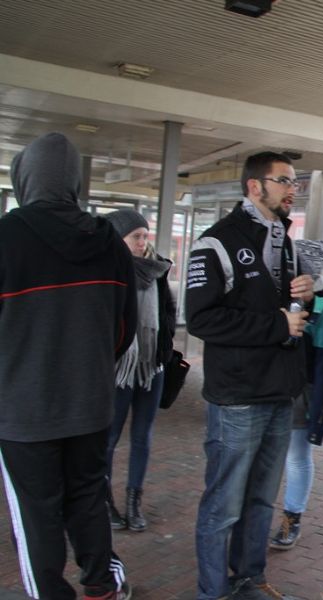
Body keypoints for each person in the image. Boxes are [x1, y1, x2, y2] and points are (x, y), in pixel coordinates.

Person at [0, 132, 137, 600]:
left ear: (24, 178)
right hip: (90, 405)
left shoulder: (5, 238)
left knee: (37, 512)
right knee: (87, 498)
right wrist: (90, 368)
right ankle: (102, 587)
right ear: (76, 182)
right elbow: (125, 330)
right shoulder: (108, 241)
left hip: (23, 412)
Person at [186, 151, 315, 600]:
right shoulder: (216, 241)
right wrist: (278, 324)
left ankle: (249, 579)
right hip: (238, 397)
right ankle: (212, 590)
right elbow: (201, 320)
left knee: (261, 501)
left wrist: (307, 297)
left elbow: (292, 314)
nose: (292, 189)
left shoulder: (286, 241)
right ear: (254, 186)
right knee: (223, 506)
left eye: (295, 182)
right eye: (284, 181)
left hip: (280, 393)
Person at [104, 209, 176, 533]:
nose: (143, 242)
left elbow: (169, 312)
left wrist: (163, 347)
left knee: (143, 436)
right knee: (109, 436)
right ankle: (103, 499)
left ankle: (134, 501)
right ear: (119, 239)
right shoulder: (109, 271)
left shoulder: (158, 270)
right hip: (120, 367)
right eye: (136, 236)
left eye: (145, 236)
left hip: (151, 366)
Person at [270, 277, 323, 550]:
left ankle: (292, 517)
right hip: (269, 389)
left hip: (301, 394)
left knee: (296, 457)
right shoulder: (277, 297)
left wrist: (318, 413)